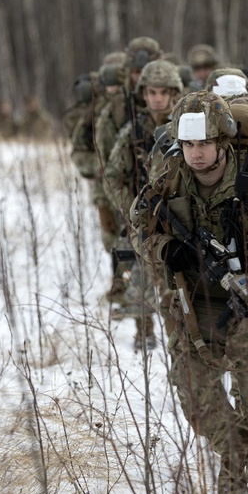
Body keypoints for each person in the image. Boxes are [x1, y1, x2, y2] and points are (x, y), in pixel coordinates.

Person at [130, 91, 248, 494]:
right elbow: (138, 228)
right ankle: (235, 456)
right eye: (188, 145)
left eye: (204, 144)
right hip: (193, 305)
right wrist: (166, 249)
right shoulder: (168, 182)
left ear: (222, 143)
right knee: (193, 391)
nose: (196, 154)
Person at [103, 60, 185, 348]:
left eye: (164, 92)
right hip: (146, 218)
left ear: (175, 92)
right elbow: (112, 175)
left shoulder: (187, 126)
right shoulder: (134, 131)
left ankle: (184, 336)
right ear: (143, 94)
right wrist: (132, 209)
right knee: (142, 273)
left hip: (183, 217)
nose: (158, 98)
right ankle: (145, 332)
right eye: (151, 92)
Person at [95, 36, 164, 305]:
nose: (140, 77)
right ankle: (125, 292)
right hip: (124, 184)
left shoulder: (171, 94)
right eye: (136, 72)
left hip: (157, 187)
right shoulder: (117, 106)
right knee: (121, 242)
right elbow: (105, 155)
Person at [67, 51, 126, 253]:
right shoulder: (94, 110)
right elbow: (79, 152)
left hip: (135, 185)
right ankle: (120, 281)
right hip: (104, 188)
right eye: (111, 81)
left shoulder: (138, 105)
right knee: (113, 239)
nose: (115, 88)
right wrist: (100, 166)